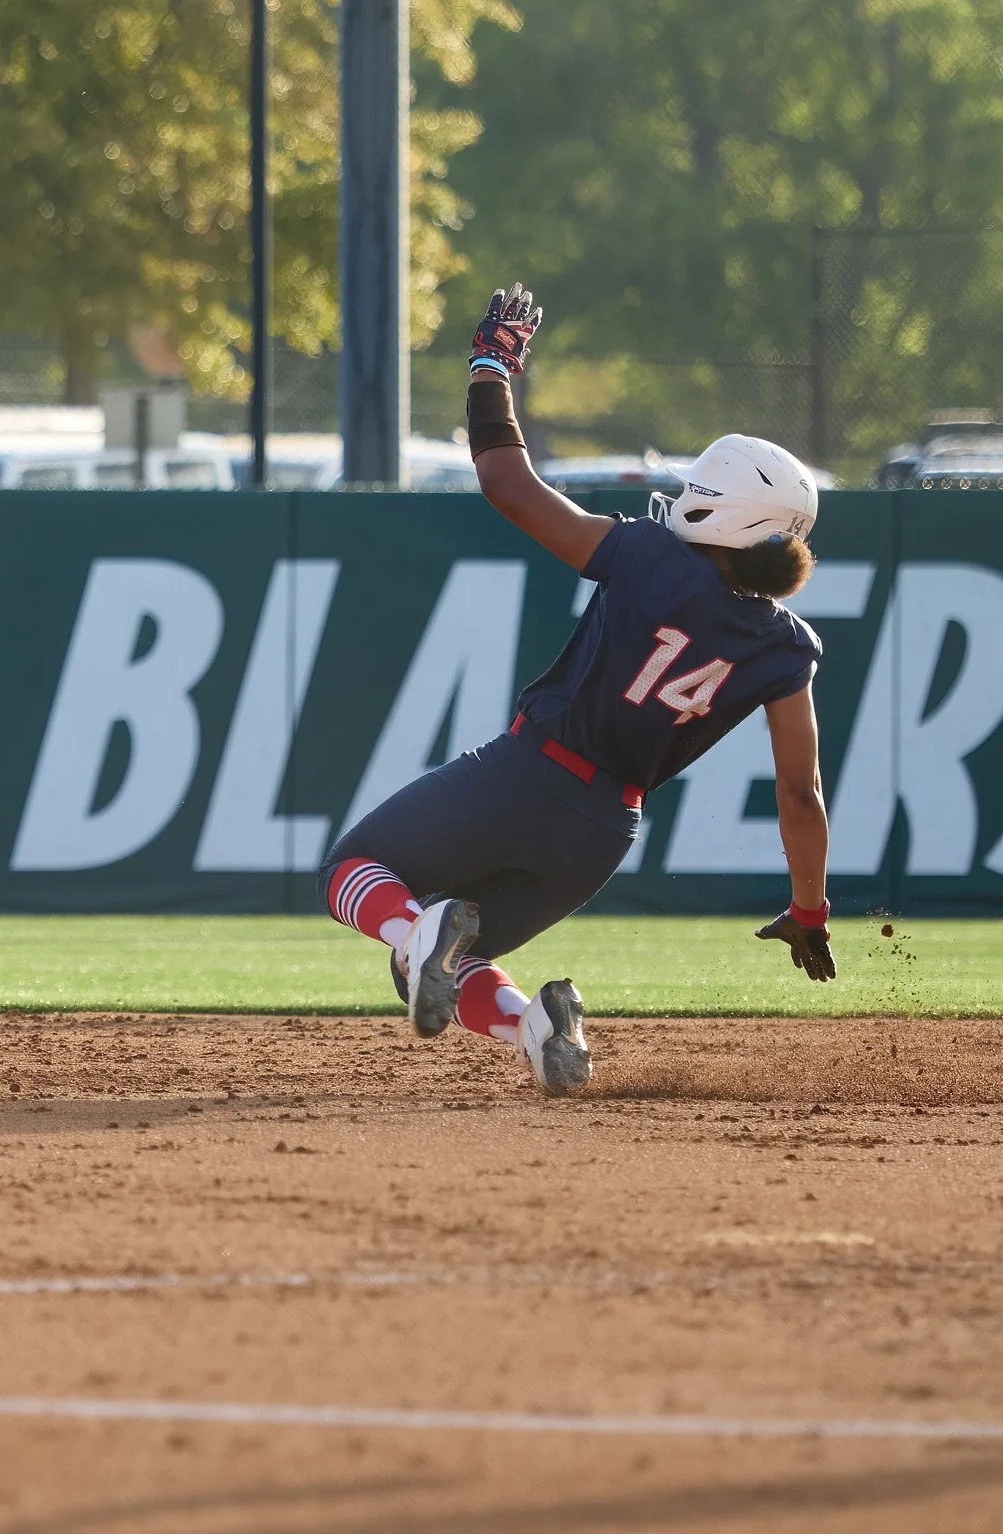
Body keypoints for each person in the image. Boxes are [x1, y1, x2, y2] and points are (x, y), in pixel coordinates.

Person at [321, 283, 835, 1096]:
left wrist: (492, 366)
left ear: (723, 514)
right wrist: (809, 912)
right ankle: (537, 1027)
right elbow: (800, 792)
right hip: (606, 828)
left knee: (353, 871)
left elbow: (507, 483)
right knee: (465, 962)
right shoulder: (785, 645)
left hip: (530, 771)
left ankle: (417, 932)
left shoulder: (649, 558)